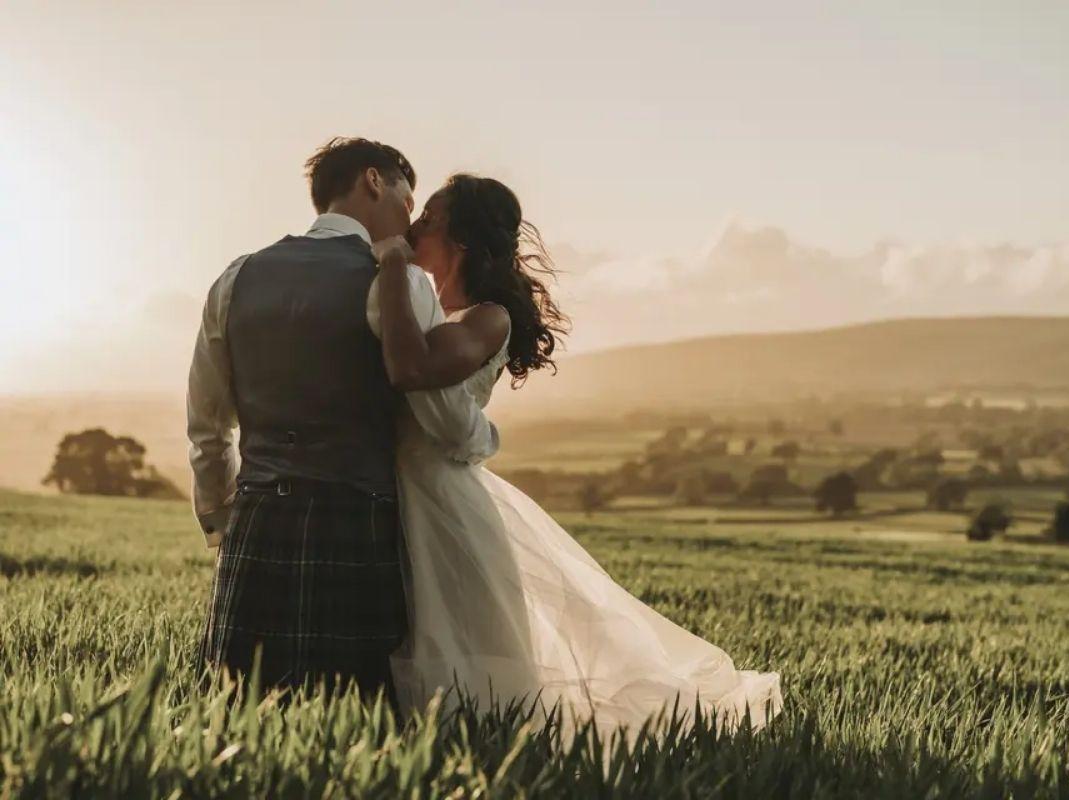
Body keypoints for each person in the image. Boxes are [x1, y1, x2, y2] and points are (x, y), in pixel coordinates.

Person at [375, 174, 782, 735]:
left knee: (456, 649)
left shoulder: (486, 317)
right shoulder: (439, 315)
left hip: (440, 504)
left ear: (460, 237)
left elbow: (425, 388)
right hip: (406, 489)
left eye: (431, 218)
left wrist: (392, 267)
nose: (415, 224)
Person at [187, 138, 497, 704]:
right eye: (409, 198)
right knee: (357, 719)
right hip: (359, 519)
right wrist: (485, 437)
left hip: (258, 516)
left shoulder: (237, 277)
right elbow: (445, 423)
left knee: (239, 712)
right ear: (374, 182)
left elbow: (208, 428)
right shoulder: (397, 283)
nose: (412, 217)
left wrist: (222, 518)